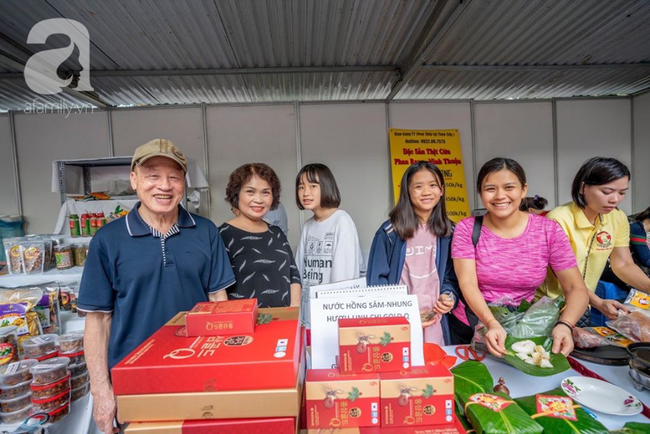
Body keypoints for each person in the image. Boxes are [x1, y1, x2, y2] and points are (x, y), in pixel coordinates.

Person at [78, 139, 235, 434]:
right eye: (153, 175)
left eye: (174, 177)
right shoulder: (108, 240)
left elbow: (219, 301)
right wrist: (101, 392)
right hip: (135, 381)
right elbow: (98, 320)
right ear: (134, 180)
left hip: (196, 374)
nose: (164, 185)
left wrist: (224, 370)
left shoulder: (206, 232)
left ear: (183, 184)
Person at [452, 158, 589, 357]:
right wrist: (491, 322)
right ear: (480, 192)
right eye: (490, 189)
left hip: (522, 327)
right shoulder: (467, 229)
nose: (500, 196)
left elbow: (576, 288)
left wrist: (565, 324)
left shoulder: (548, 231)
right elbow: (468, 283)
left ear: (523, 190)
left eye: (509, 187)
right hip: (472, 325)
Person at [538, 157, 650, 323]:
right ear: (583, 187)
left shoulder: (617, 218)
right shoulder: (558, 220)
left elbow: (623, 264)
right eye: (606, 192)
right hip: (547, 306)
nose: (615, 199)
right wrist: (598, 302)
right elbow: (566, 278)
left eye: (622, 193)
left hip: (582, 304)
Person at [367, 161, 459, 346]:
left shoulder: (450, 232)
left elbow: (452, 276)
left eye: (433, 185)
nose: (426, 192)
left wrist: (449, 296)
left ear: (441, 190)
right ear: (407, 191)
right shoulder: (389, 233)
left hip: (436, 323)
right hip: (400, 324)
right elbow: (376, 285)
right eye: (418, 187)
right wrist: (404, 312)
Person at [220, 163, 301, 307]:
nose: (258, 199)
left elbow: (293, 274)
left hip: (283, 323)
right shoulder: (222, 235)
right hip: (242, 325)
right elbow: (217, 290)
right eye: (250, 192)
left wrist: (293, 315)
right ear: (236, 193)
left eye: (265, 192)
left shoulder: (276, 233)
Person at [295, 163, 365, 327]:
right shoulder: (308, 226)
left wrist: (334, 321)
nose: (305, 193)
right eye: (301, 187)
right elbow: (297, 271)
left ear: (326, 187)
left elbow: (343, 281)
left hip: (331, 318)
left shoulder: (342, 222)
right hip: (308, 316)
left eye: (313, 186)